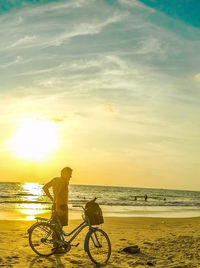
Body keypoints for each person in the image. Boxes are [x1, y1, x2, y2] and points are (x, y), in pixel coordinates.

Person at [43, 166, 72, 253]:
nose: (70, 176)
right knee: (58, 228)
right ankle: (57, 248)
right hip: (61, 206)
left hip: (56, 205)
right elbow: (59, 194)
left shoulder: (55, 179)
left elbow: (45, 187)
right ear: (64, 173)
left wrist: (52, 199)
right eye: (69, 174)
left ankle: (56, 247)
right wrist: (58, 207)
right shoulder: (64, 181)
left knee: (56, 227)